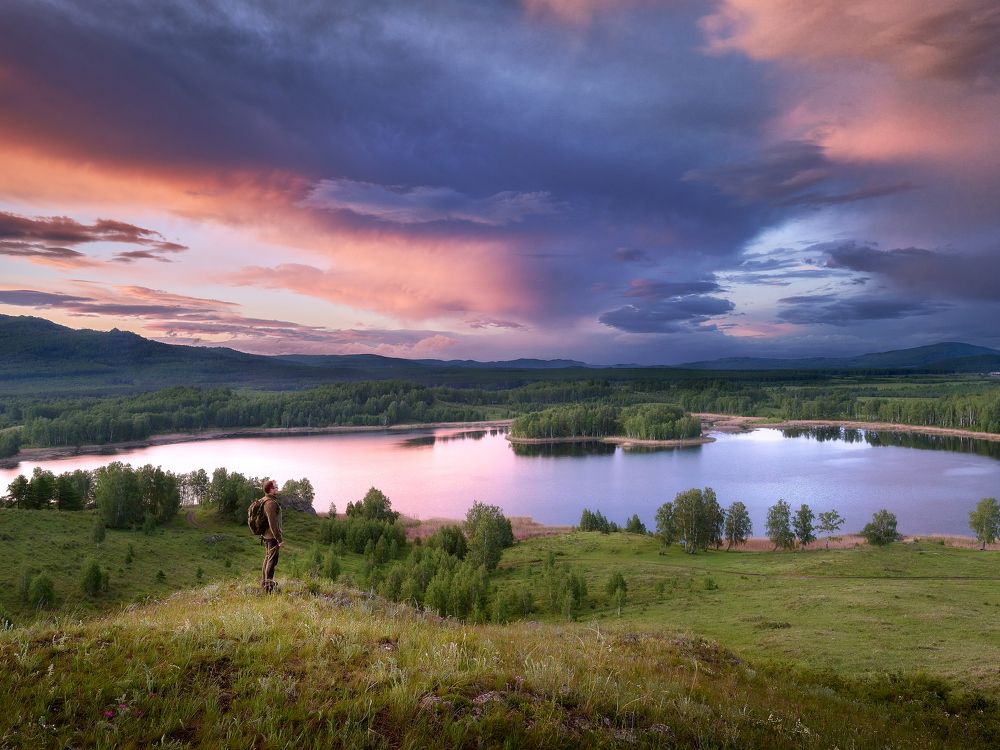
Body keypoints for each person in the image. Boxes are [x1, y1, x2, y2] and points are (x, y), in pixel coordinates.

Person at [260, 479, 284, 592]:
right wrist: (279, 539)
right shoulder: (270, 503)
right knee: (272, 560)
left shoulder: (265, 500)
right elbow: (272, 523)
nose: (277, 488)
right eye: (275, 487)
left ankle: (264, 583)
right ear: (270, 489)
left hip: (267, 535)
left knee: (268, 558)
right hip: (271, 537)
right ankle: (268, 587)